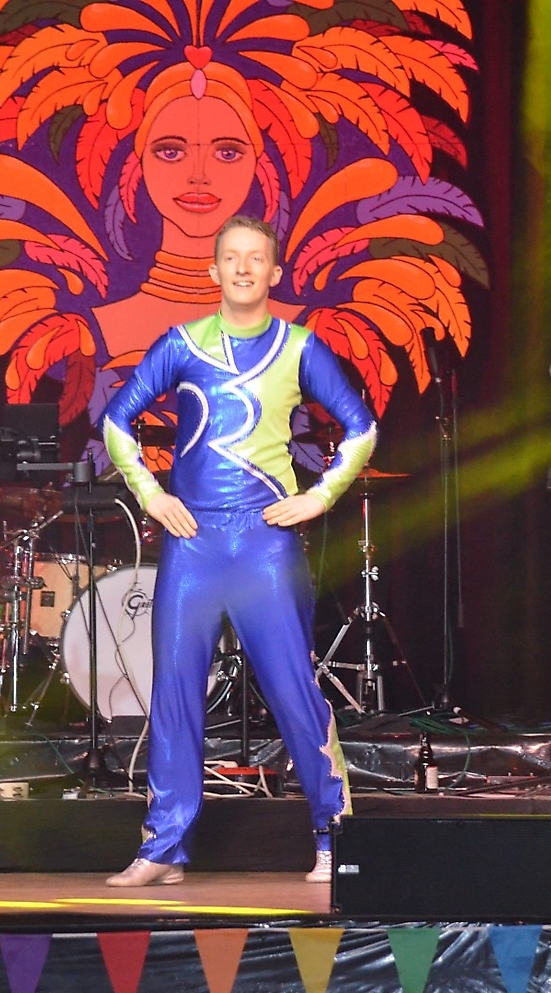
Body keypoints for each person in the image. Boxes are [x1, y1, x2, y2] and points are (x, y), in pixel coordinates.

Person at [99, 215, 377, 886]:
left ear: (275, 273)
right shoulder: (181, 343)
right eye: (232, 257)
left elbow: (361, 427)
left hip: (264, 545)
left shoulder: (299, 346)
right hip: (193, 542)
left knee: (292, 690)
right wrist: (151, 494)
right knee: (174, 693)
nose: (244, 268)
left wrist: (320, 496)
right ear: (214, 270)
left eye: (256, 258)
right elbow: (116, 420)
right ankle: (163, 849)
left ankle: (334, 837)